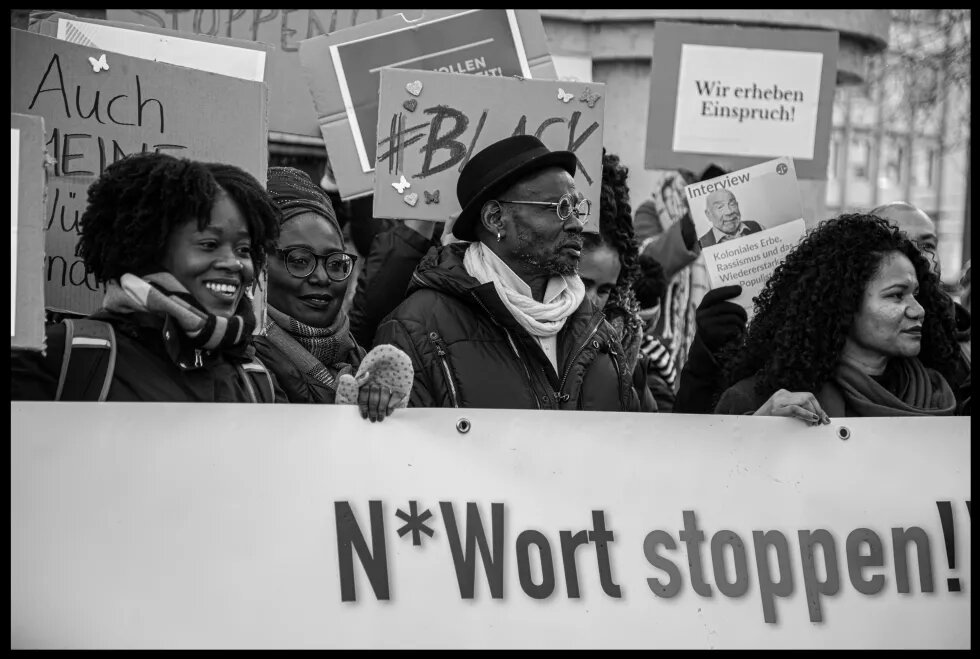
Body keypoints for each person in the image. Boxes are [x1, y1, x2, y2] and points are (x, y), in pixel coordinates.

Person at [373, 135, 639, 410]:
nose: (575, 224)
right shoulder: (418, 326)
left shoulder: (597, 330)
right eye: (559, 208)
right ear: (495, 219)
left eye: (576, 209)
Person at [11, 153, 284, 402]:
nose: (234, 263)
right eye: (209, 244)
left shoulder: (257, 381)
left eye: (244, 249)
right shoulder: (58, 358)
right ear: (150, 249)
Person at [715, 214, 963, 421]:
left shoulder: (943, 396)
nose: (918, 310)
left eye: (916, 294)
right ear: (845, 302)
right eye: (897, 295)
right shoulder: (765, 402)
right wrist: (758, 429)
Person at [254, 167, 410, 421]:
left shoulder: (364, 364)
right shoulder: (244, 368)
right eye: (300, 260)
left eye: (336, 263)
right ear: (259, 262)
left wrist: (383, 413)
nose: (322, 277)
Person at [699, 189, 763, 247]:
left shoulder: (757, 226)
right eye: (720, 207)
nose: (729, 212)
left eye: (732, 204)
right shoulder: (702, 245)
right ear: (708, 215)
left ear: (737, 205)